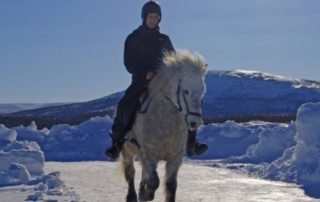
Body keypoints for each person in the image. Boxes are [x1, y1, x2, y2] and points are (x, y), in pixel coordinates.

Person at [105, 1, 208, 160]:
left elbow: (174, 60)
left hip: (164, 83)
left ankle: (192, 143)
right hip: (141, 81)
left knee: (190, 100)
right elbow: (129, 62)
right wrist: (143, 73)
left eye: (156, 17)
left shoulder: (164, 39)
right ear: (144, 17)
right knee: (124, 104)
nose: (153, 19)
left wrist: (182, 70)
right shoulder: (133, 38)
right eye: (150, 16)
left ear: (159, 19)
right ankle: (117, 143)